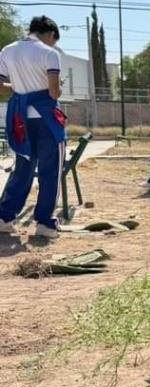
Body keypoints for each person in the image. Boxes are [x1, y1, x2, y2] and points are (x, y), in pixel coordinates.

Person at [0, 16, 65, 239]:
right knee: (50, 171)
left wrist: (19, 87)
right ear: (49, 34)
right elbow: (54, 93)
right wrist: (56, 87)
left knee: (23, 168)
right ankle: (45, 223)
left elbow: (0, 86)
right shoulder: (49, 53)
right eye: (54, 39)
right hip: (46, 118)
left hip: (21, 118)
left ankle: (5, 216)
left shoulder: (7, 51)